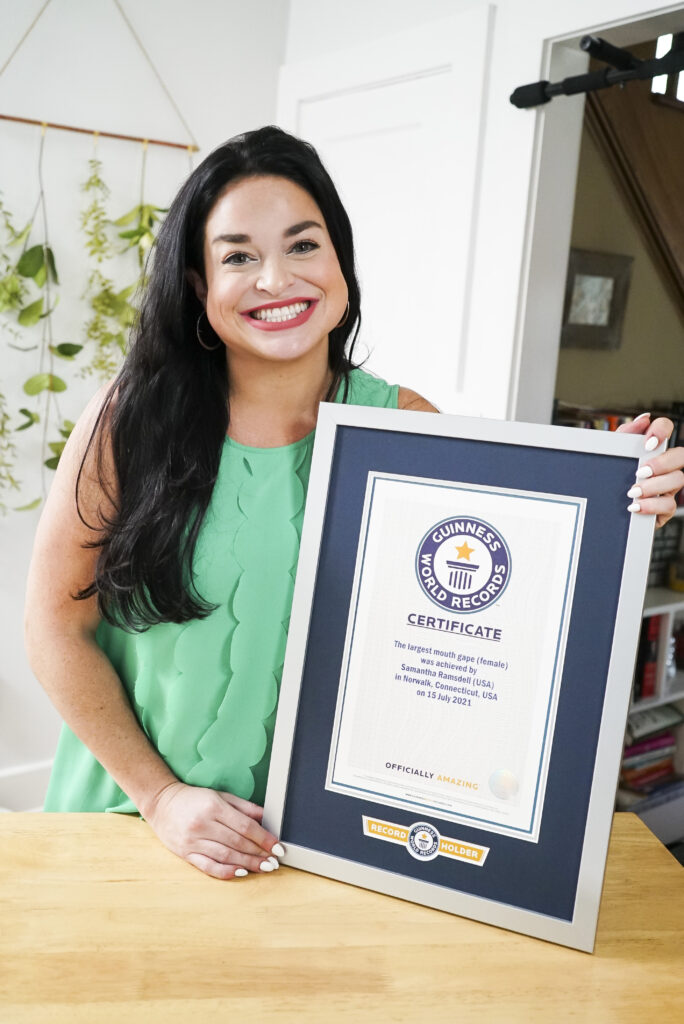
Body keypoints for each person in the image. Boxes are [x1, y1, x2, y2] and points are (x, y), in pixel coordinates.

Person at [24, 126, 684, 881]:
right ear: (201, 285)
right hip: (130, 820)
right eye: (239, 255)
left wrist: (621, 508)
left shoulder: (406, 424)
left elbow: (503, 602)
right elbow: (54, 627)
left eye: (303, 246)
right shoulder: (127, 420)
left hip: (323, 845)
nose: (276, 279)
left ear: (340, 262)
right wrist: (164, 798)